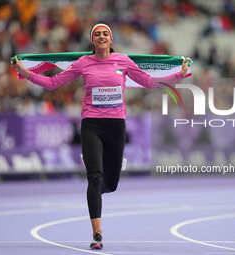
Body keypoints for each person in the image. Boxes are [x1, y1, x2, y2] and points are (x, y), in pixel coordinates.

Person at [12, 23, 191, 250]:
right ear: (92, 41)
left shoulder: (124, 61)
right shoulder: (83, 63)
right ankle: (97, 233)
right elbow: (53, 83)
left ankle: (96, 190)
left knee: (111, 184)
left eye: (105, 33)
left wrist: (178, 76)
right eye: (97, 34)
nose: (101, 36)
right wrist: (27, 74)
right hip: (91, 125)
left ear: (111, 40)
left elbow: (149, 82)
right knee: (94, 177)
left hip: (116, 127)